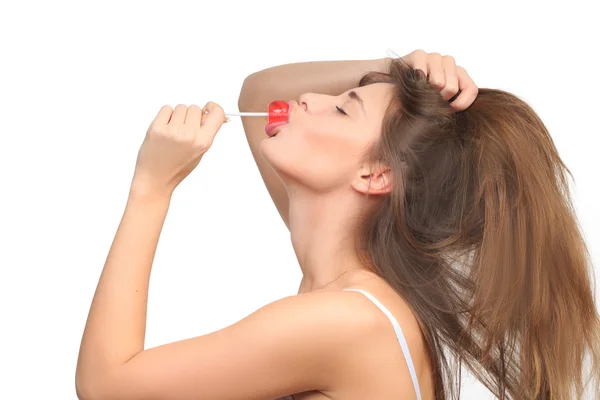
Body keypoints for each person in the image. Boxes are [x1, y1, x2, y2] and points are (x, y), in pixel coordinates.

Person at [75, 50, 600, 400]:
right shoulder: (357, 289)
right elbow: (261, 93)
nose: (310, 100)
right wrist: (396, 66)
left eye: (343, 110)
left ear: (376, 175)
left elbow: (106, 383)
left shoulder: (348, 320)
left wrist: (151, 188)